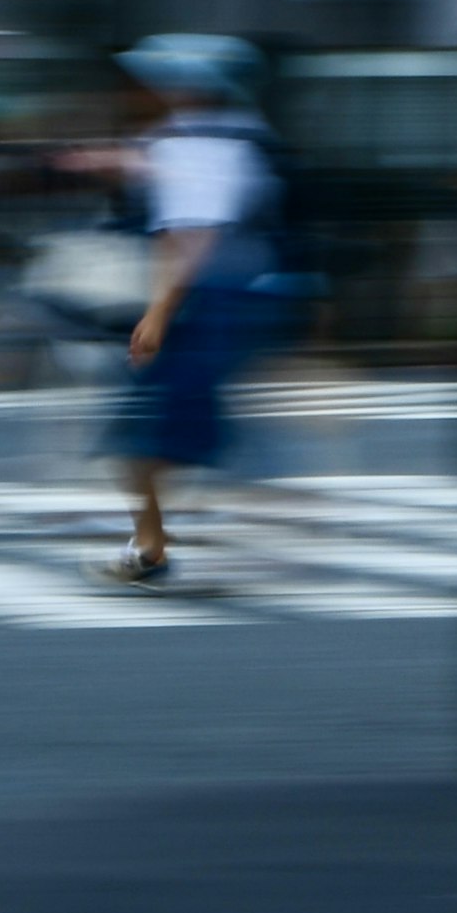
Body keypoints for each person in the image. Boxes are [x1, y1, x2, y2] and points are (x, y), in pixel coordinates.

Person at [95, 33, 289, 589]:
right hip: (225, 295)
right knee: (161, 433)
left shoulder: (196, 140)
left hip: (205, 301)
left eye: (147, 82)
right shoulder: (226, 133)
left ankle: (158, 545)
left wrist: (158, 314)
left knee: (144, 435)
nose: (136, 93)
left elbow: (192, 235)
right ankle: (151, 544)